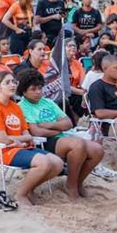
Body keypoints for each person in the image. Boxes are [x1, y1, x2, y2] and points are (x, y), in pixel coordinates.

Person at [16, 68, 103, 199]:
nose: (38, 92)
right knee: (78, 145)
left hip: (60, 137)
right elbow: (36, 131)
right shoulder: (22, 106)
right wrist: (58, 128)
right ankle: (71, 184)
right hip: (43, 142)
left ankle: (77, 182)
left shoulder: (48, 102)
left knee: (97, 150)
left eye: (40, 88)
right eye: (33, 89)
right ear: (24, 91)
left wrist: (49, 125)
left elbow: (68, 123)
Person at [0, 72, 65, 207]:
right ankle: (20, 194)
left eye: (14, 82)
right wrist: (22, 138)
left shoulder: (15, 106)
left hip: (21, 147)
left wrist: (21, 138)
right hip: (3, 151)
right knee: (44, 162)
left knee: (58, 163)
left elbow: (26, 132)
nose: (12, 85)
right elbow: (3, 139)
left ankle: (29, 188)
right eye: (7, 82)